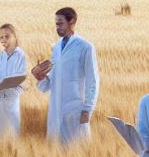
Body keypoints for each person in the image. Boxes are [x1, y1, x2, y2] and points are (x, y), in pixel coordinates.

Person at [32, 7, 99, 144]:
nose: (57, 27)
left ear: (72, 21)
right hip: (56, 109)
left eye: (60, 23)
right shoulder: (56, 48)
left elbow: (93, 81)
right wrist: (40, 78)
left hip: (75, 109)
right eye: (56, 24)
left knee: (77, 151)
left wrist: (87, 109)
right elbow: (50, 83)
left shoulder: (85, 47)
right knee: (56, 154)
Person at [0, 24, 26, 141]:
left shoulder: (21, 56)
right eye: (0, 37)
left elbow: (20, 84)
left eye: (6, 36)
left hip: (9, 107)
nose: (3, 40)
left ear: (15, 36)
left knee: (8, 139)